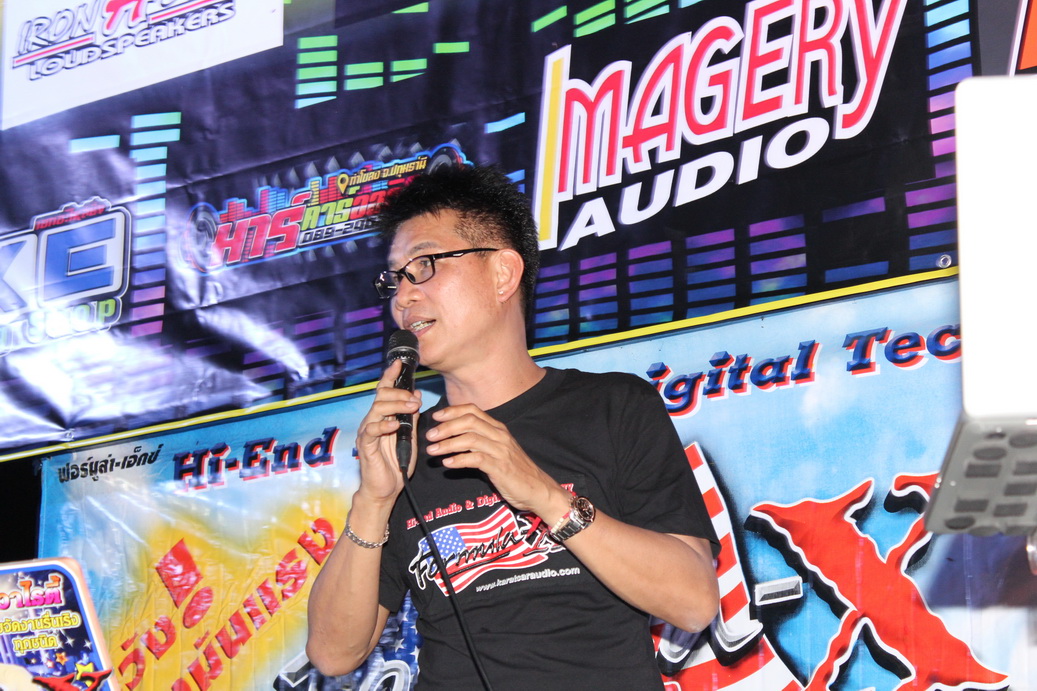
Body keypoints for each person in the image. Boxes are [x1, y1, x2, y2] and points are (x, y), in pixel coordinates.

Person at [306, 164, 720, 690]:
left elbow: (693, 602)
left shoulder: (613, 406)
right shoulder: (403, 447)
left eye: (425, 265)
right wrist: (373, 499)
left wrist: (544, 496)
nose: (403, 297)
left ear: (503, 273)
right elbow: (333, 654)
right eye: (395, 278)